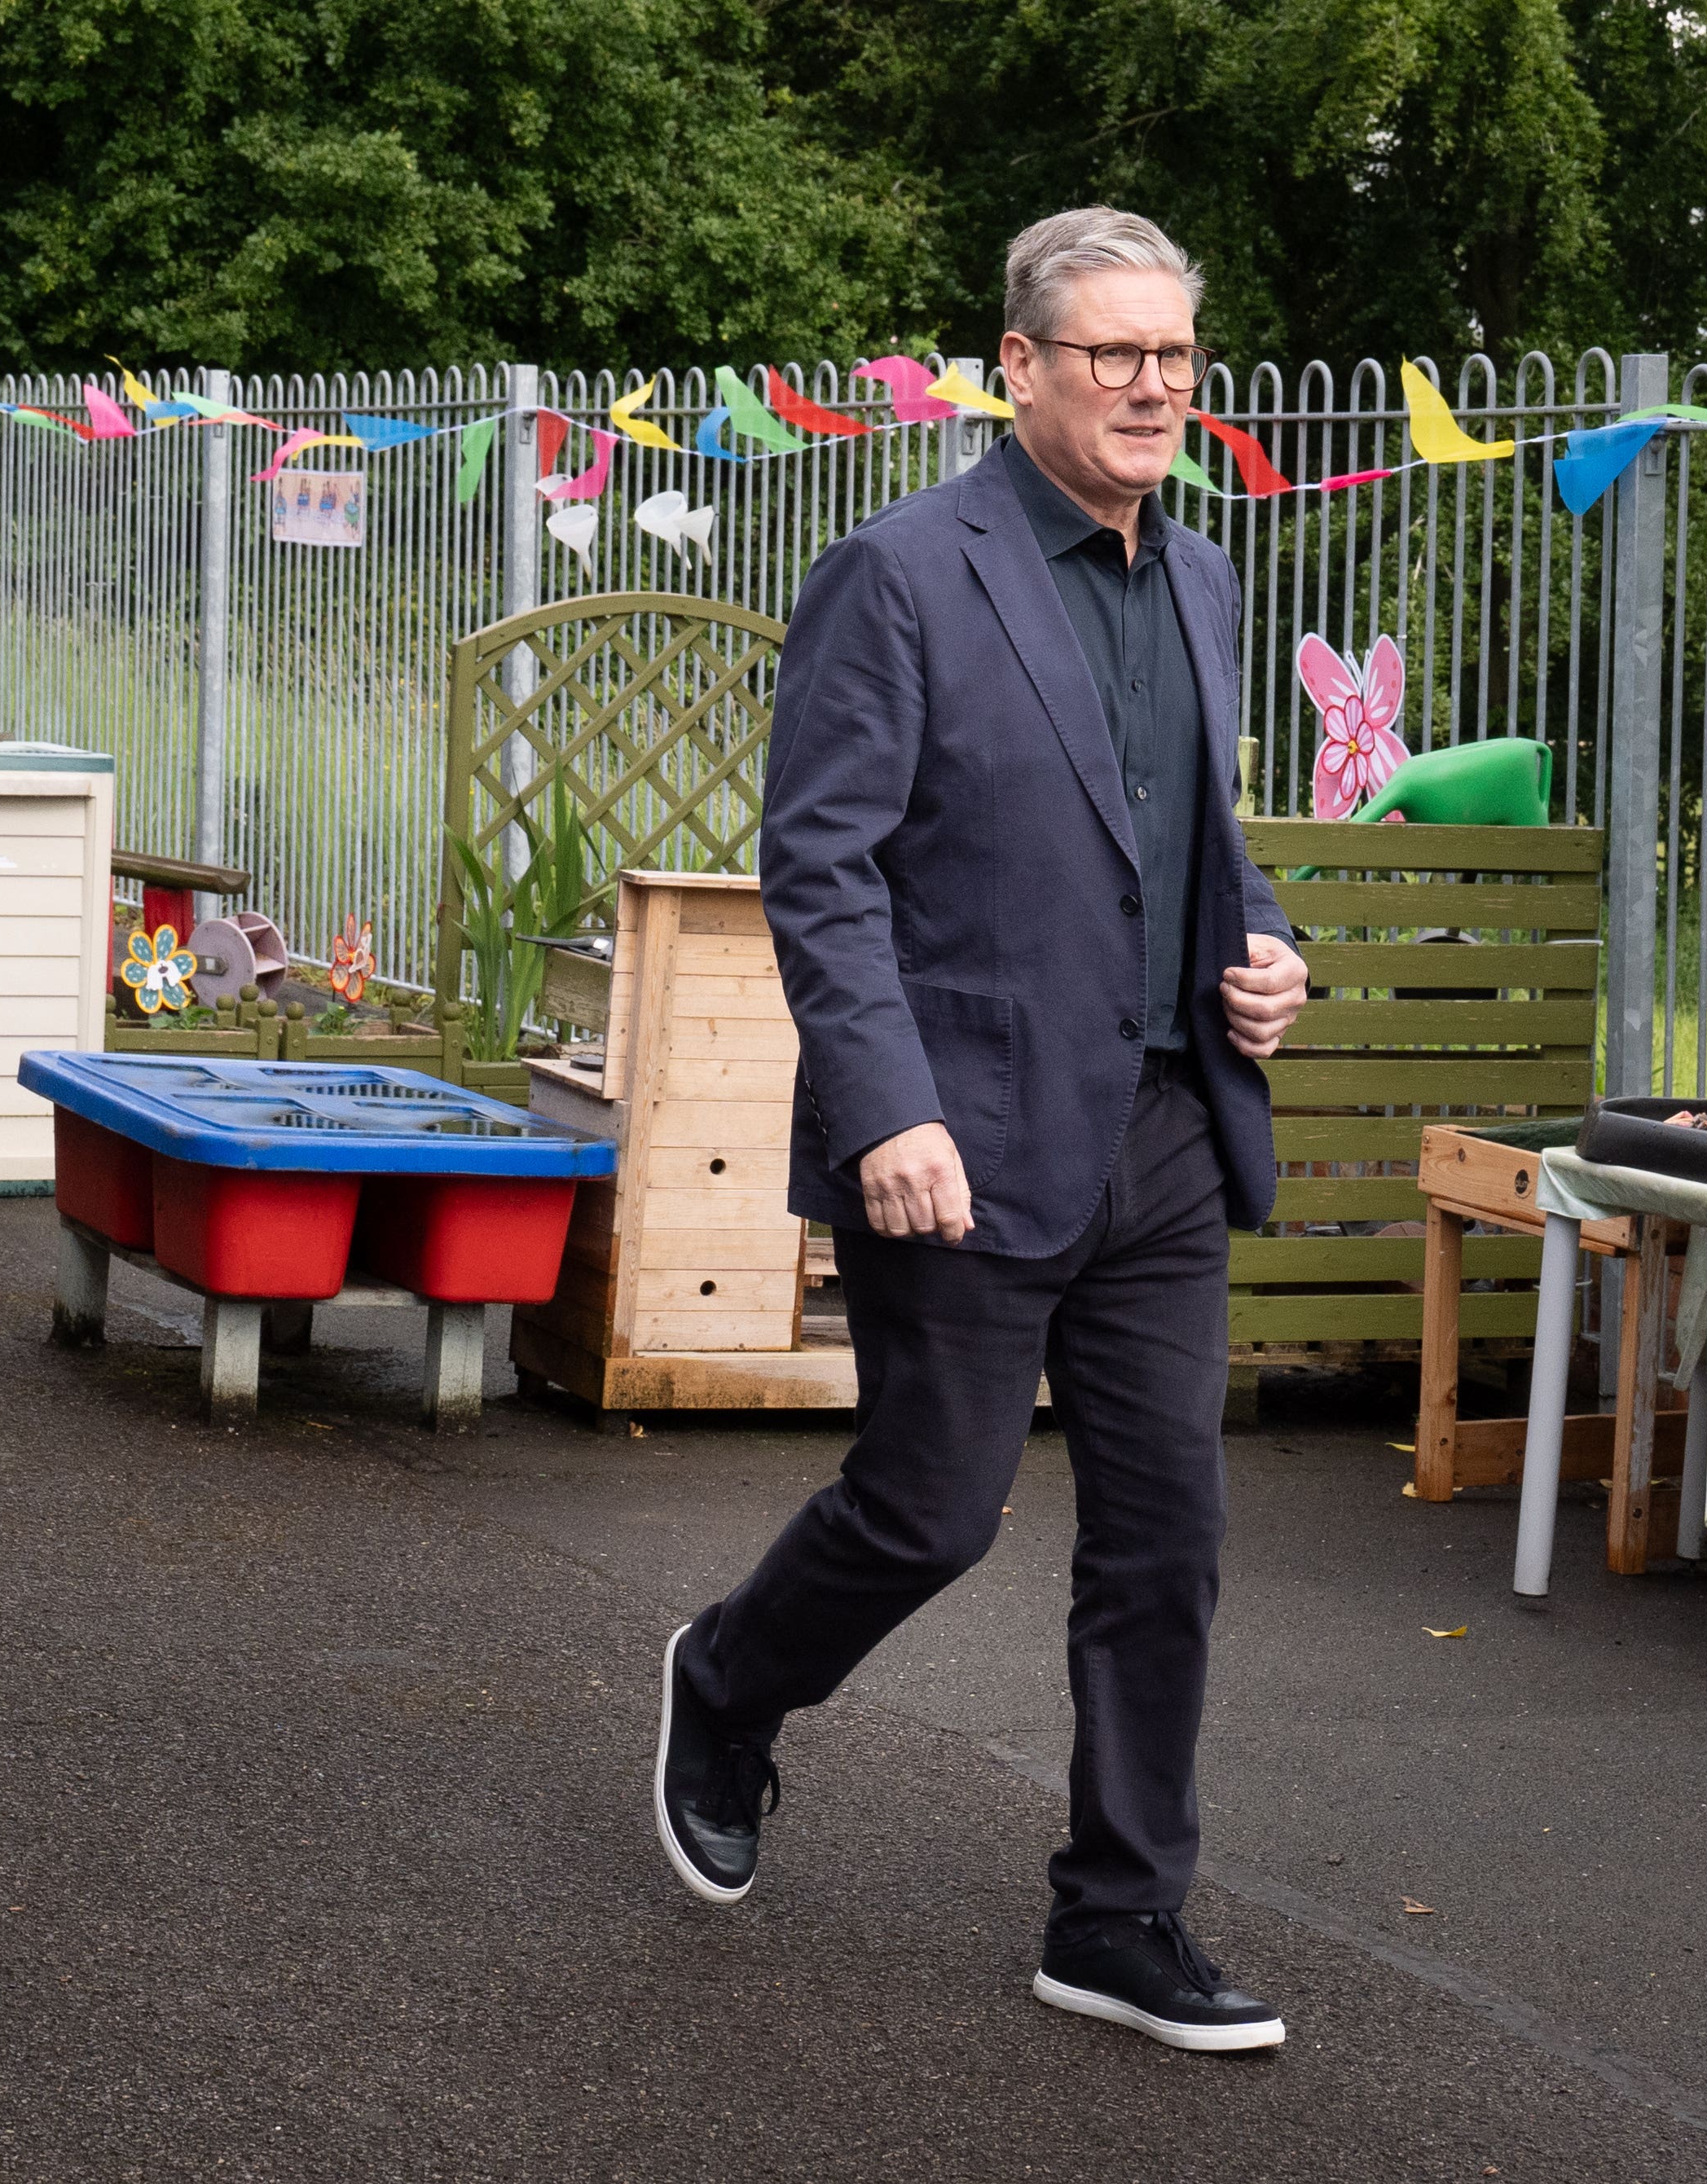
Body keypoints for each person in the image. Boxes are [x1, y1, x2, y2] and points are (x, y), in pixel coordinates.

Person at [650, 206, 1309, 2054]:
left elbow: (1180, 848)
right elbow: (823, 864)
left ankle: (1117, 1917)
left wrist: (1257, 956)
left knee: (1166, 1535)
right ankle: (728, 1677)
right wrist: (886, 1112)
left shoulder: (1199, 581)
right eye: (1113, 355)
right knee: (932, 1515)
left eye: (1174, 355)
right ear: (1017, 367)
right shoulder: (901, 572)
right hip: (964, 1137)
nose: (1152, 388)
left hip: (1165, 1131)